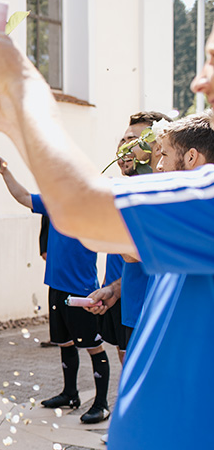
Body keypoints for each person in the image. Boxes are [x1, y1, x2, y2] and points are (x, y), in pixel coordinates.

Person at [0, 22, 214, 450]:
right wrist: (8, 118)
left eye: (213, 63)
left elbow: (78, 207)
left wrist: (27, 90)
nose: (198, 81)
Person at [0, 155, 110, 424]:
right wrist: (5, 172)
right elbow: (22, 196)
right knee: (64, 342)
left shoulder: (93, 208)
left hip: (82, 291)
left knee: (93, 347)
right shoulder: (54, 203)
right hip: (56, 287)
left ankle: (102, 403)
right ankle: (70, 394)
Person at [85, 112, 172, 361]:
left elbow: (146, 254)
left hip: (159, 317)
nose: (123, 147)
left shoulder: (163, 196)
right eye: (121, 141)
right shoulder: (128, 194)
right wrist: (114, 289)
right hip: (131, 308)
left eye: (133, 140)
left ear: (157, 147)